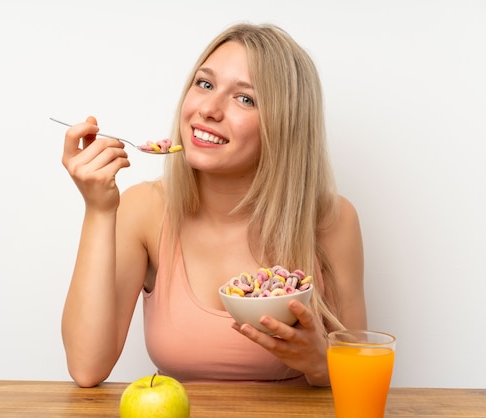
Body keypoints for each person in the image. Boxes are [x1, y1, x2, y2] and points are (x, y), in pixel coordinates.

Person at [60, 22, 366, 388]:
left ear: (284, 126)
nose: (208, 109)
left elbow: (361, 383)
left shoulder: (332, 220)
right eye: (205, 84)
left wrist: (320, 364)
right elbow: (86, 367)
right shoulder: (144, 209)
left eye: (245, 98)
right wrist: (98, 210)